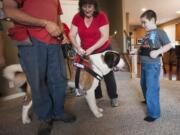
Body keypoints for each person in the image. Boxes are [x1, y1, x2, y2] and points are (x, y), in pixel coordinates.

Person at [3, 0, 76, 134]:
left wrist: (63, 35)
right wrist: (44, 23)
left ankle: (58, 112)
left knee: (60, 79)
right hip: (32, 40)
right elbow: (10, 10)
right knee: (37, 82)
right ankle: (45, 117)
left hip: (55, 42)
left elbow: (57, 18)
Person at [69, 0, 119, 107]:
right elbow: (72, 34)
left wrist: (92, 48)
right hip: (87, 51)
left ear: (95, 6)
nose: (87, 9)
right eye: (84, 6)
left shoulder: (101, 16)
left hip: (102, 49)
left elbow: (105, 36)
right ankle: (97, 96)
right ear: (80, 6)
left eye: (90, 6)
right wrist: (77, 47)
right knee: (92, 74)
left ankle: (113, 96)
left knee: (108, 74)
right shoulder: (77, 17)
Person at [139, 10, 174, 122]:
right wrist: (137, 50)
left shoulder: (159, 31)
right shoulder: (147, 33)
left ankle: (154, 113)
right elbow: (144, 46)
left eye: (144, 22)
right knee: (143, 84)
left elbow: (169, 45)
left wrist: (158, 51)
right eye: (141, 23)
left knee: (152, 88)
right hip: (144, 64)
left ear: (153, 20)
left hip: (152, 66)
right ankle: (148, 99)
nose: (142, 25)